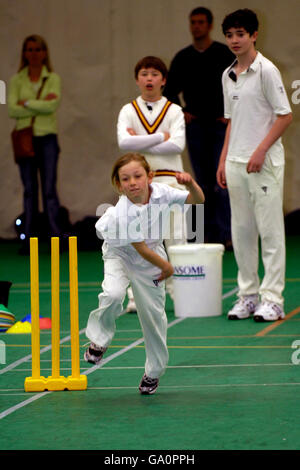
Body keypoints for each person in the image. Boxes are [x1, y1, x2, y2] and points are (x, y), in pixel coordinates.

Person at [84, 153, 205, 394]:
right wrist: (167, 266)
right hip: (119, 252)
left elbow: (198, 201)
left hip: (150, 254)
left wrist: (190, 183)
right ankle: (99, 340)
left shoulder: (162, 192)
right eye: (125, 179)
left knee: (153, 316)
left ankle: (153, 372)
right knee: (114, 294)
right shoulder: (123, 212)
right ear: (118, 185)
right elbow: (138, 247)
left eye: (137, 176)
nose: (132, 182)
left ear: (149, 176)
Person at [216, 9, 293, 322]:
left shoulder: (267, 70)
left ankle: (272, 299)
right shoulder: (228, 74)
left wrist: (260, 151)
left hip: (264, 164)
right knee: (242, 232)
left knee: (270, 232)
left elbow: (284, 115)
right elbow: (232, 121)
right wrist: (223, 159)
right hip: (235, 164)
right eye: (230, 35)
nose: (235, 40)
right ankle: (247, 296)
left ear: (254, 35)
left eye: (240, 34)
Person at [117, 56, 187, 312]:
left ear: (164, 80)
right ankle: (137, 296)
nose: (149, 78)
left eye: (155, 74)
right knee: (141, 241)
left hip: (172, 180)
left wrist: (141, 140)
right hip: (140, 185)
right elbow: (124, 144)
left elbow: (177, 145)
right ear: (137, 79)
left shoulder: (174, 110)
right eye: (144, 73)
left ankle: (182, 293)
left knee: (176, 239)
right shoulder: (128, 110)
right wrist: (160, 137)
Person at [164, 7, 235, 248]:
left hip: (220, 126)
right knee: (200, 183)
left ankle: (226, 235)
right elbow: (169, 90)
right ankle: (201, 235)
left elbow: (238, 85)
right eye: (193, 22)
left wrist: (231, 113)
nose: (196, 26)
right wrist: (182, 112)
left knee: (222, 181)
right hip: (195, 129)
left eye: (201, 22)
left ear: (209, 24)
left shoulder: (224, 54)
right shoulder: (183, 57)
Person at [8, 34, 62, 254]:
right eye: (29, 50)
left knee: (49, 189)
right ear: (24, 53)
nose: (33, 54)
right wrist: (40, 103)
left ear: (45, 52)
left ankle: (55, 237)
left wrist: (27, 103)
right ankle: (29, 239)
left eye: (37, 49)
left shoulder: (53, 78)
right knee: (30, 190)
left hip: (47, 138)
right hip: (25, 138)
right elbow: (11, 109)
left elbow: (53, 105)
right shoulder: (15, 80)